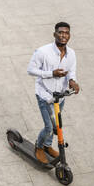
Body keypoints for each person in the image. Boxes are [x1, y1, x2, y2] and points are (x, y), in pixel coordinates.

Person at [27, 22, 80, 164]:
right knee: (49, 127)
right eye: (60, 32)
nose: (63, 35)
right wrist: (51, 73)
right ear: (54, 34)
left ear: (69, 35)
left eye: (66, 33)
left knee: (57, 125)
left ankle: (47, 145)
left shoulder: (72, 54)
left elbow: (71, 71)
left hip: (60, 97)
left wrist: (72, 81)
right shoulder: (43, 52)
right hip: (45, 95)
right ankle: (39, 147)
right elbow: (31, 70)